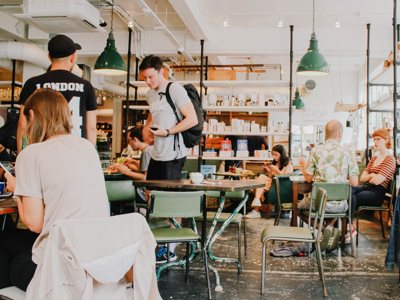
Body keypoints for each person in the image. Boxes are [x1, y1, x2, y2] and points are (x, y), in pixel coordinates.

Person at [0, 88, 109, 291]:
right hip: (95, 262)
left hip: (60, 271)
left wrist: (17, 191)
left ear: (31, 115)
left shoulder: (31, 154)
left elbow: (35, 223)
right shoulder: (87, 147)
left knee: (5, 243)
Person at [17, 34, 97, 152]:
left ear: (49, 57)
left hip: (42, 152)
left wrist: (22, 156)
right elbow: (91, 128)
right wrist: (90, 156)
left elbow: (23, 125)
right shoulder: (86, 86)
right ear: (73, 57)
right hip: (75, 152)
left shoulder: (32, 84)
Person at [298, 119, 359, 247]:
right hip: (341, 205)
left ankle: (323, 228)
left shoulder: (316, 150)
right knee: (337, 204)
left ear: (325, 134)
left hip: (319, 204)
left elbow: (308, 178)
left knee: (298, 207)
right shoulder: (348, 152)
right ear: (340, 134)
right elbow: (354, 182)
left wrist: (303, 166)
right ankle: (329, 227)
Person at [139, 55, 197, 180]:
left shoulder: (174, 89)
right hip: (156, 154)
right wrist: (146, 127)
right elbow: (154, 111)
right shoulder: (149, 94)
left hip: (174, 155)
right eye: (144, 78)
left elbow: (192, 119)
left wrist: (167, 132)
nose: (147, 82)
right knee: (150, 192)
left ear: (161, 72)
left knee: (167, 196)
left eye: (150, 77)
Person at [352, 128, 396, 214]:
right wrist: (372, 175)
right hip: (366, 187)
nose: (375, 142)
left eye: (378, 139)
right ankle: (347, 222)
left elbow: (376, 181)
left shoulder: (390, 159)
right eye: (374, 139)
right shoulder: (374, 158)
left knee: (351, 196)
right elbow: (361, 179)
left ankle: (348, 222)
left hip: (377, 193)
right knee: (347, 191)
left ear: (386, 140)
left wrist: (369, 176)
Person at [246, 144, 293, 219]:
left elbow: (286, 177)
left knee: (260, 182)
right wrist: (269, 170)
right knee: (260, 179)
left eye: (276, 155)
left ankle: (256, 209)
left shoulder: (288, 164)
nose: (274, 157)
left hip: (281, 186)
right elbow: (271, 177)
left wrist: (276, 170)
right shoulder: (275, 163)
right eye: (273, 155)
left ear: (282, 154)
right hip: (273, 183)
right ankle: (257, 204)